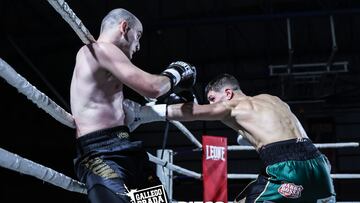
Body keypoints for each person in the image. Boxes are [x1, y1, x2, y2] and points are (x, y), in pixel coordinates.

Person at [124, 73, 336, 202]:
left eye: (213, 99)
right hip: (318, 165)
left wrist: (145, 114)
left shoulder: (232, 105)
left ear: (228, 93)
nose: (213, 105)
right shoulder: (273, 100)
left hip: (286, 167)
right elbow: (295, 136)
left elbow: (193, 112)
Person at [70, 8, 196, 203]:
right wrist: (178, 71)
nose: (138, 45)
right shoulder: (99, 49)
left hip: (126, 148)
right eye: (137, 36)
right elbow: (153, 88)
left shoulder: (107, 61)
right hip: (100, 154)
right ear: (124, 27)